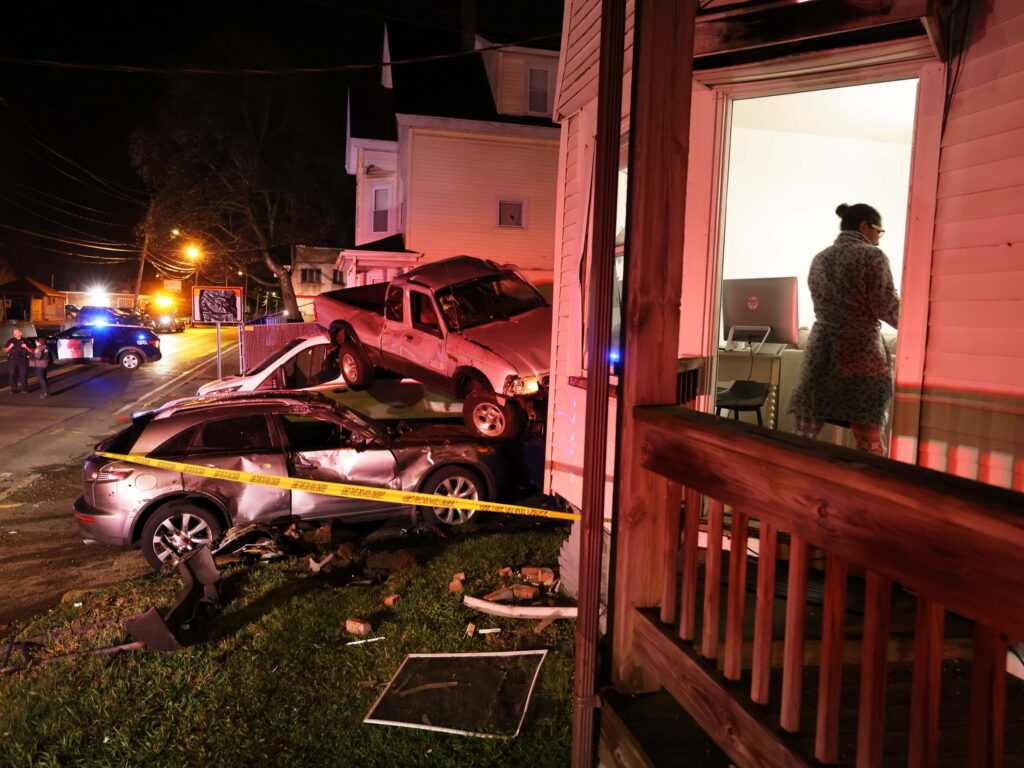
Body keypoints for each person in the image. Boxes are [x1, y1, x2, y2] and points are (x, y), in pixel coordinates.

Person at [788, 203, 900, 456]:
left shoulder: (820, 257)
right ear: (864, 226)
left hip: (821, 351)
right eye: (878, 232)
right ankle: (869, 489)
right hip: (859, 352)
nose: (879, 240)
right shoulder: (873, 256)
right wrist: (919, 325)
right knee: (868, 433)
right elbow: (887, 306)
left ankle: (788, 482)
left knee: (804, 432)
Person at [3, 328, 34, 394]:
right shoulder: (10, 340)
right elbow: (5, 350)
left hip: (22, 359)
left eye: (16, 332)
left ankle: (24, 389)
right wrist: (9, 347)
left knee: (23, 374)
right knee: (12, 374)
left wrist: (26, 347)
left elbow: (32, 350)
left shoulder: (25, 340)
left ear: (20, 333)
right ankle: (13, 388)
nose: (14, 334)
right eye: (14, 333)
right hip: (12, 359)